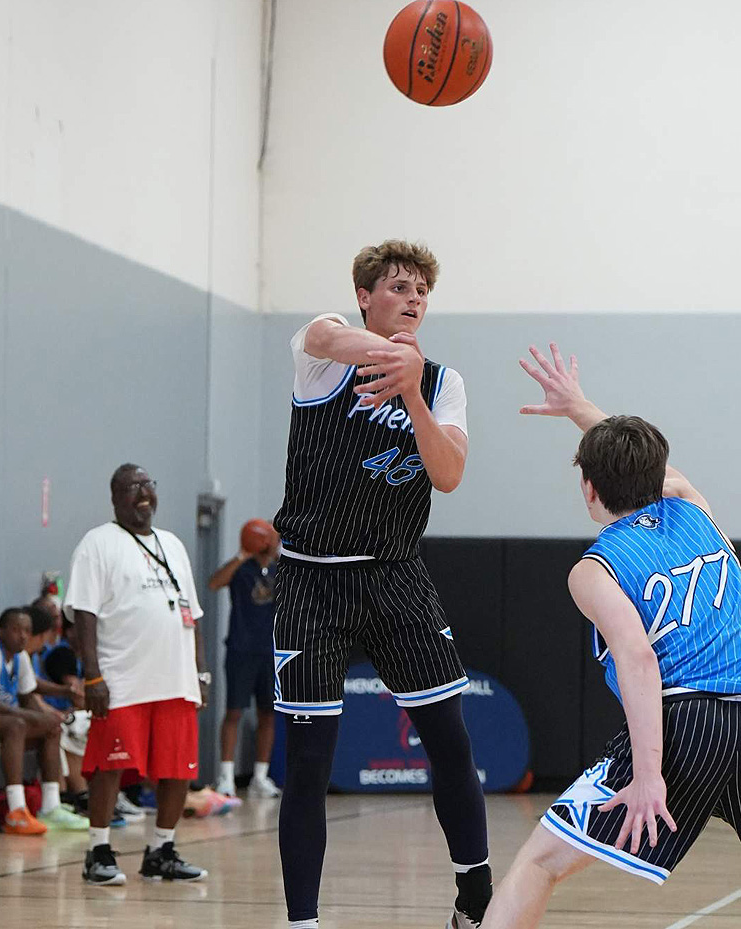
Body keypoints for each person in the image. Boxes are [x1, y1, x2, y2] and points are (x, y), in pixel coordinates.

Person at [481, 344, 741, 928]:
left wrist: (649, 776)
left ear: (588, 488)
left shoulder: (594, 570)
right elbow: (647, 468)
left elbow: (638, 658)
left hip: (687, 724)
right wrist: (579, 407)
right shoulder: (695, 509)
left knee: (540, 862)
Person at [272, 240, 491, 929]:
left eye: (422, 290)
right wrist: (387, 356)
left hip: (396, 575)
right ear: (366, 296)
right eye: (399, 286)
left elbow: (448, 475)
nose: (414, 298)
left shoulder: (443, 382)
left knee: (450, 740)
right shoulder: (323, 353)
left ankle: (475, 893)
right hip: (312, 581)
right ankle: (303, 921)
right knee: (309, 760)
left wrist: (412, 389)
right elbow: (322, 335)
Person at [64, 464, 210, 886]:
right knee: (109, 767)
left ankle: (161, 851)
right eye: (133, 487)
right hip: (122, 680)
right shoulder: (97, 543)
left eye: (148, 485)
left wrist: (200, 674)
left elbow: (193, 615)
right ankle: (98, 852)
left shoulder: (173, 544)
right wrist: (92, 676)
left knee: (178, 768)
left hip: (176, 680)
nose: (143, 493)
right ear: (115, 497)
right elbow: (84, 615)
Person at [0, 607, 87, 833]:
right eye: (16, 630)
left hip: (2, 723)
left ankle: (51, 807)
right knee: (16, 725)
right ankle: (16, 811)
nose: (23, 636)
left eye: (27, 630)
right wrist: (33, 716)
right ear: (1, 631)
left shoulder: (20, 657)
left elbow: (28, 696)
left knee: (51, 726)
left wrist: (48, 717)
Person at [209, 518, 281, 799]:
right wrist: (243, 553)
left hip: (271, 651)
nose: (276, 541)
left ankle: (260, 777)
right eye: (272, 536)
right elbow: (214, 583)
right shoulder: (241, 569)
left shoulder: (280, 569)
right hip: (241, 651)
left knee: (268, 713)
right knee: (234, 712)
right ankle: (226, 777)